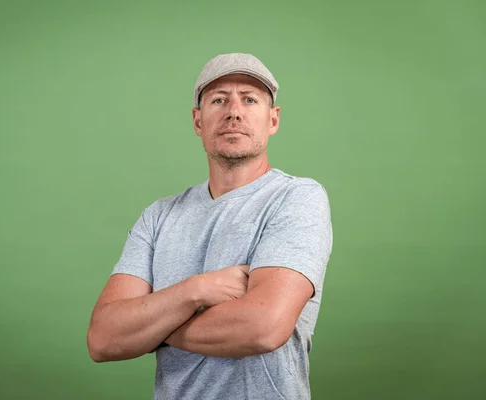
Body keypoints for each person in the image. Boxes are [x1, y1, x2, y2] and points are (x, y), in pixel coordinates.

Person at [87, 53, 333, 400]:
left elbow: (264, 327)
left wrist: (154, 323)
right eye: (219, 100)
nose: (234, 111)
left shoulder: (296, 198)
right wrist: (196, 290)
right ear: (198, 120)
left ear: (272, 120)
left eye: (249, 99)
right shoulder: (158, 217)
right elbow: (102, 338)